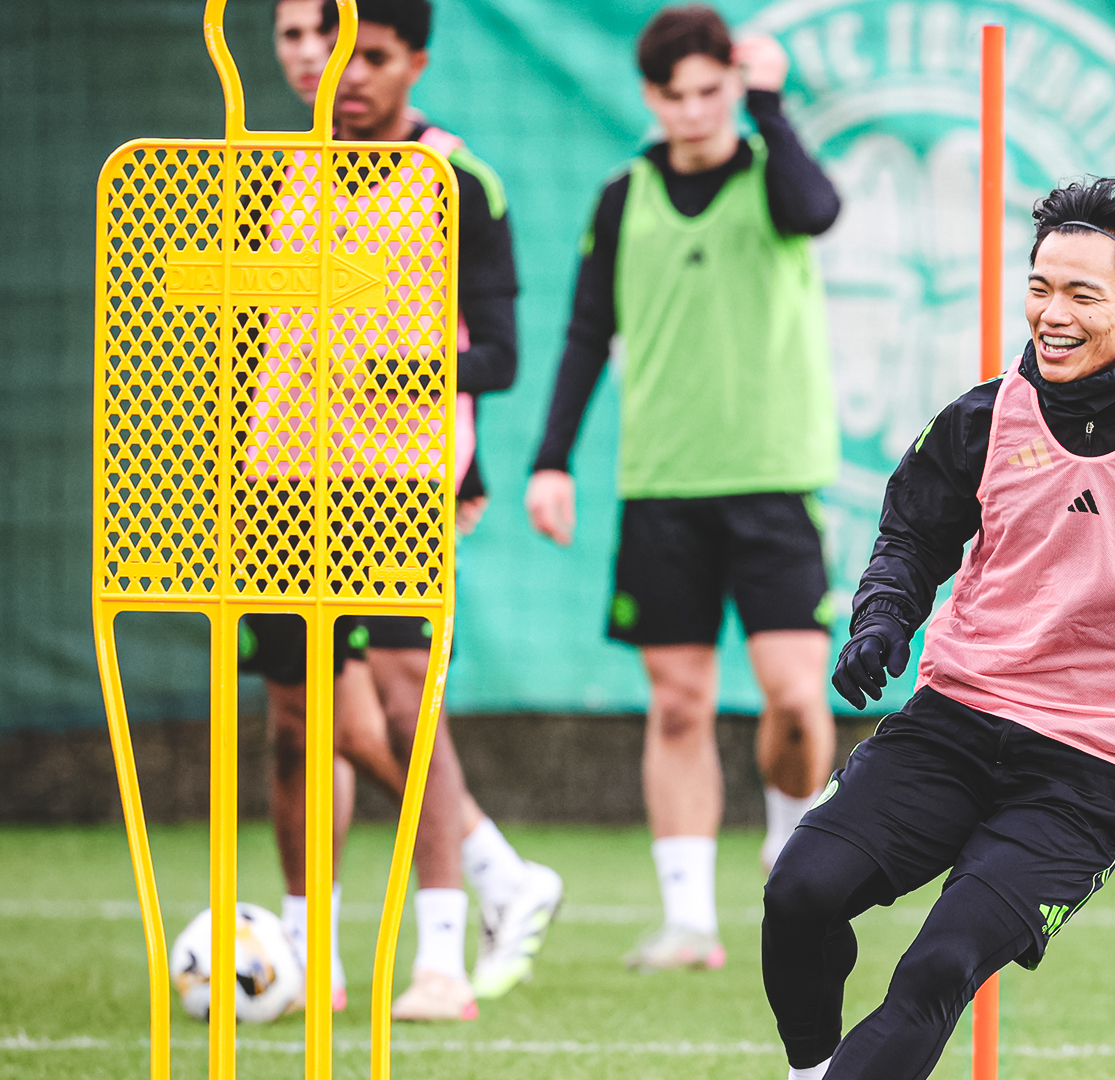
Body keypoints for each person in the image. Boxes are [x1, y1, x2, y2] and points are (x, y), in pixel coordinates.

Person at [760, 178, 1115, 1080]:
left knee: (941, 964)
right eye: (1039, 287)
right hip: (957, 718)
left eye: (1081, 294)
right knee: (798, 894)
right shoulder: (983, 415)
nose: (1052, 314)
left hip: (1097, 762)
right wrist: (882, 622)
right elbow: (912, 534)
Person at [241, 0, 564, 1022]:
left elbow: (501, 355)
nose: (336, 71)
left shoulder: (455, 179)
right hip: (279, 483)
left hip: (395, 483)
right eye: (309, 43)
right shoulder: (269, 175)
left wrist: (403, 372)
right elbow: (253, 334)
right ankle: (309, 955)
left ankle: (439, 960)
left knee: (399, 708)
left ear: (413, 59)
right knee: (297, 727)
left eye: (365, 54)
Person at [526, 4, 841, 972]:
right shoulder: (623, 198)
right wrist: (550, 459)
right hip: (661, 485)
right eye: (679, 94)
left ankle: (790, 844)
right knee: (678, 705)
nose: (698, 109)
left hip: (775, 480)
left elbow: (816, 211)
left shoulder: (770, 171)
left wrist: (772, 107)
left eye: (715, 90)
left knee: (795, 700)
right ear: (650, 96)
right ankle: (688, 919)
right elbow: (586, 333)